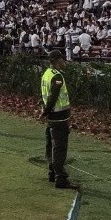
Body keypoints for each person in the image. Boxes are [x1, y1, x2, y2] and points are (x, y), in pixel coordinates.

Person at [39, 50, 79, 190]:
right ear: (56, 61)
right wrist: (46, 111)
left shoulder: (46, 74)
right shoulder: (57, 77)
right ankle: (60, 178)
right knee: (59, 148)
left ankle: (52, 173)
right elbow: (53, 97)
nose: (64, 62)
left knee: (50, 145)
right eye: (62, 60)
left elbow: (44, 95)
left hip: (52, 117)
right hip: (59, 117)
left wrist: (45, 111)